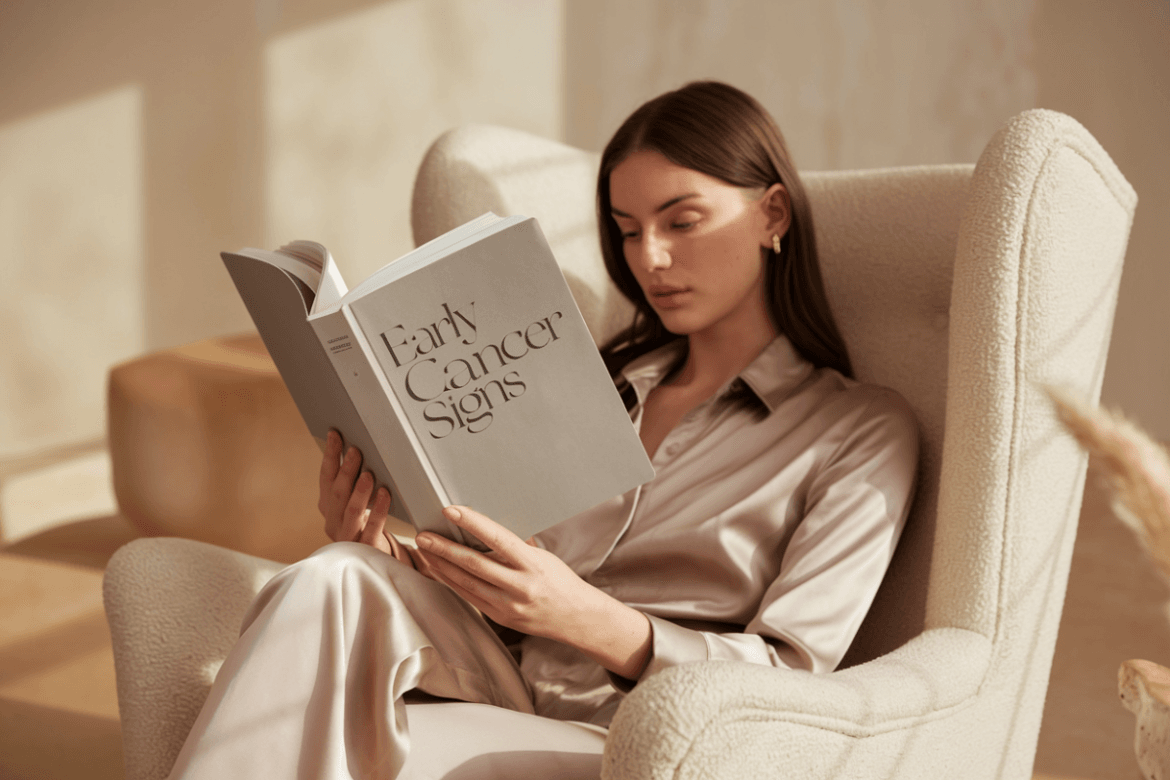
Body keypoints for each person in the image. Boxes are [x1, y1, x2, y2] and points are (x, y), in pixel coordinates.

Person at [166, 81, 919, 780]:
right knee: (336, 573)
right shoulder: (591, 382)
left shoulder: (856, 430)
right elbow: (502, 587)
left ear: (773, 215)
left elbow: (793, 680)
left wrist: (589, 620)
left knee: (337, 741)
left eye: (682, 222)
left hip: (641, 737)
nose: (650, 258)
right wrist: (384, 547)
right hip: (500, 680)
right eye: (627, 231)